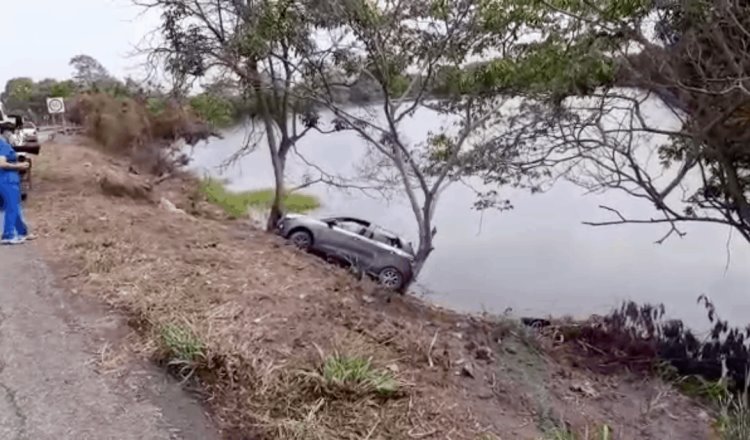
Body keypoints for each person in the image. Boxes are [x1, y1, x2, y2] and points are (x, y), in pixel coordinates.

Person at [0, 124, 33, 245]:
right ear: (4, 133)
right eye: (11, 133)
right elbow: (1, 163)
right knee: (12, 208)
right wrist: (19, 166)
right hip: (6, 179)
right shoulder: (2, 144)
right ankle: (8, 235)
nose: (12, 136)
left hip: (6, 180)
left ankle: (22, 232)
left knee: (15, 207)